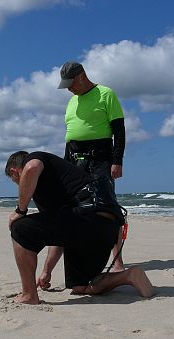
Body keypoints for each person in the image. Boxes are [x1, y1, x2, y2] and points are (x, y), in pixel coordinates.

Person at [5, 150, 153, 305]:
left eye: (16, 181)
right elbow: (58, 235)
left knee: (20, 228)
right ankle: (129, 276)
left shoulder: (34, 159)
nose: (19, 185)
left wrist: (20, 211)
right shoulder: (52, 191)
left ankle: (29, 295)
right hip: (106, 227)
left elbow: (31, 168)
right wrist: (47, 271)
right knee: (81, 285)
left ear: (14, 172)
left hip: (89, 216)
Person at [42, 61, 127, 274]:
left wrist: (117, 161)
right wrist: (64, 166)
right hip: (74, 159)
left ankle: (117, 261)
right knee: (72, 208)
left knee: (108, 209)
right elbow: (70, 136)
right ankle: (79, 257)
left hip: (101, 159)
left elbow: (119, 131)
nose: (69, 88)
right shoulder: (71, 102)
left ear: (81, 76)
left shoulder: (106, 94)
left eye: (71, 83)